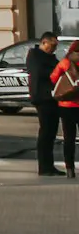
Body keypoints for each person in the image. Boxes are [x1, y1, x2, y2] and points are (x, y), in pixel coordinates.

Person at [28, 31, 63, 176]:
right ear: (44, 42)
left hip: (52, 98)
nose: (53, 49)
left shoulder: (50, 57)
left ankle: (49, 165)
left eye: (55, 46)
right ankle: (44, 166)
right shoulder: (35, 56)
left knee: (51, 133)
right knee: (46, 132)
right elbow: (41, 73)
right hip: (43, 98)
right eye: (52, 45)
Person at [52, 39, 79, 177]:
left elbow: (53, 78)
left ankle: (69, 169)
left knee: (69, 138)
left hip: (66, 105)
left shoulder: (65, 62)